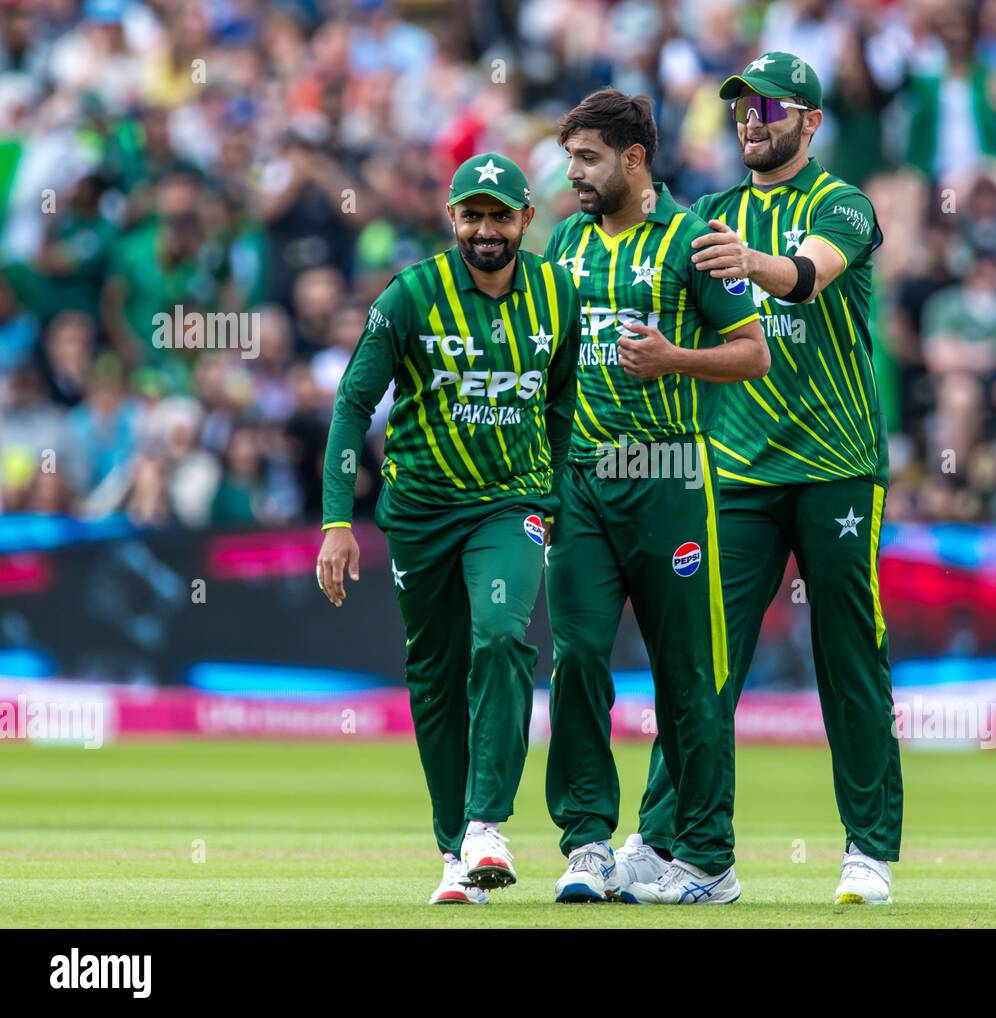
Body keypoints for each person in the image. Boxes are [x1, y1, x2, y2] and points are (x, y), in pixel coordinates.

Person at [637, 51, 903, 905]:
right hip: (735, 470)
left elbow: (808, 277)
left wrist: (747, 262)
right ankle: (662, 838)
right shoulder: (709, 212)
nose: (752, 118)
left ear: (811, 122)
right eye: (741, 107)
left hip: (835, 467)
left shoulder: (843, 205)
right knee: (699, 663)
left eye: (770, 107)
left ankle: (867, 850)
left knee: (847, 655)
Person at [315, 153, 578, 905]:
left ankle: (487, 825)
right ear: (452, 219)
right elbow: (350, 407)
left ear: (527, 220)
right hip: (421, 511)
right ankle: (453, 851)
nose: (485, 230)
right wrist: (338, 521)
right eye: (473, 215)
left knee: (500, 634)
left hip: (510, 504)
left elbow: (561, 404)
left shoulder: (559, 293)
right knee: (434, 680)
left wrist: (550, 500)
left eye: (500, 216)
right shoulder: (411, 296)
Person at [543, 88, 769, 905]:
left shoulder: (697, 241)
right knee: (575, 660)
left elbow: (752, 356)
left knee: (687, 674)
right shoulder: (565, 241)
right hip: (583, 485)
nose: (573, 174)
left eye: (587, 159)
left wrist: (675, 359)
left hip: (669, 477)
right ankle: (587, 843)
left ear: (634, 160)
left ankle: (708, 860)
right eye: (570, 158)